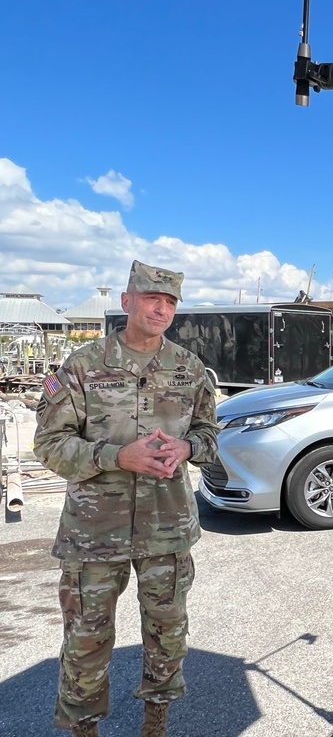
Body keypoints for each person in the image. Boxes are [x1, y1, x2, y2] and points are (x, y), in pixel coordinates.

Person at [35, 261, 220, 737]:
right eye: (151, 298)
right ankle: (84, 730)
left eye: (170, 302)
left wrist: (188, 447)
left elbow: (209, 434)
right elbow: (49, 444)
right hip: (95, 534)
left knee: (167, 635)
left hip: (167, 528)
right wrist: (119, 456)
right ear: (126, 302)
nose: (161, 308)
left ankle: (155, 725)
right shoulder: (83, 366)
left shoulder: (189, 368)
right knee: (86, 643)